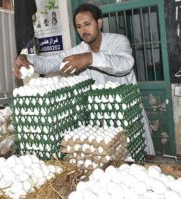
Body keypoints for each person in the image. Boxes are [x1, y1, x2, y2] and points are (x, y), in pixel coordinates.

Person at [13, 3, 155, 156]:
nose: (83, 30)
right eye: (79, 26)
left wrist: (90, 58)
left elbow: (125, 64)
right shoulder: (79, 50)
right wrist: (28, 59)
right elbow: (52, 62)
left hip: (127, 115)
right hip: (99, 122)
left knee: (135, 158)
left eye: (87, 24)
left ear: (99, 23)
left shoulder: (118, 41)